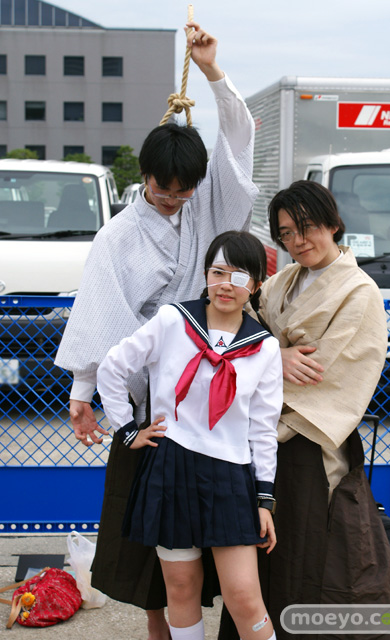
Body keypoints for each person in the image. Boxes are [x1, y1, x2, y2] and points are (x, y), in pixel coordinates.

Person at [54, 21, 258, 640]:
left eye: (183, 190)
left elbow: (238, 141)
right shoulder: (116, 236)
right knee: (145, 535)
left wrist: (211, 70)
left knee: (217, 536)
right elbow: (102, 315)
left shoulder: (206, 202)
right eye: (162, 189)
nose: (173, 199)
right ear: (143, 174)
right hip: (149, 401)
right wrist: (84, 393)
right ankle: (159, 630)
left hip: (211, 392)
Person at [219, 181, 390, 640]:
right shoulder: (282, 281)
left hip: (309, 435)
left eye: (305, 227)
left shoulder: (359, 292)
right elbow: (246, 333)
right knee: (263, 547)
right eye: (286, 233)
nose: (297, 241)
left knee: (309, 551)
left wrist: (264, 360)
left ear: (332, 223)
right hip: (261, 434)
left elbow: (326, 373)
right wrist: (274, 354)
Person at [96, 230, 283, 640]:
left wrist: (265, 498)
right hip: (171, 466)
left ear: (255, 285)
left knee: (244, 595)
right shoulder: (174, 320)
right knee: (181, 589)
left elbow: (263, 428)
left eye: (239, 277)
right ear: (205, 275)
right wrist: (127, 431)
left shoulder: (265, 347)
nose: (226, 285)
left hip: (231, 475)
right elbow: (112, 367)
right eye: (218, 273)